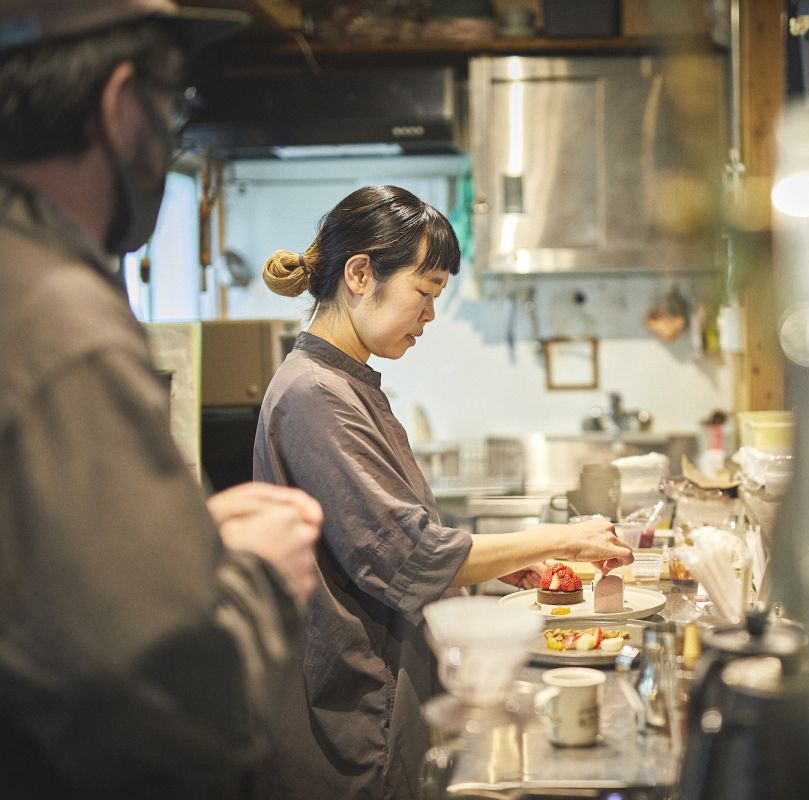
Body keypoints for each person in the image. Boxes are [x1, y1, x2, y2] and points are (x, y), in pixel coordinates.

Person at [0, 1, 323, 796]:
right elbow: (172, 710)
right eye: (174, 105)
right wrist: (255, 576)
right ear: (118, 106)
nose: (175, 135)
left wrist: (180, 546)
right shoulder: (59, 323)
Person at [253, 184, 635, 799]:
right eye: (425, 292)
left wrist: (498, 565)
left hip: (386, 691)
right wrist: (565, 537)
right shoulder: (315, 394)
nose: (430, 315)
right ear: (359, 273)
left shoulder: (347, 385)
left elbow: (398, 541)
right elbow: (409, 556)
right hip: (360, 709)